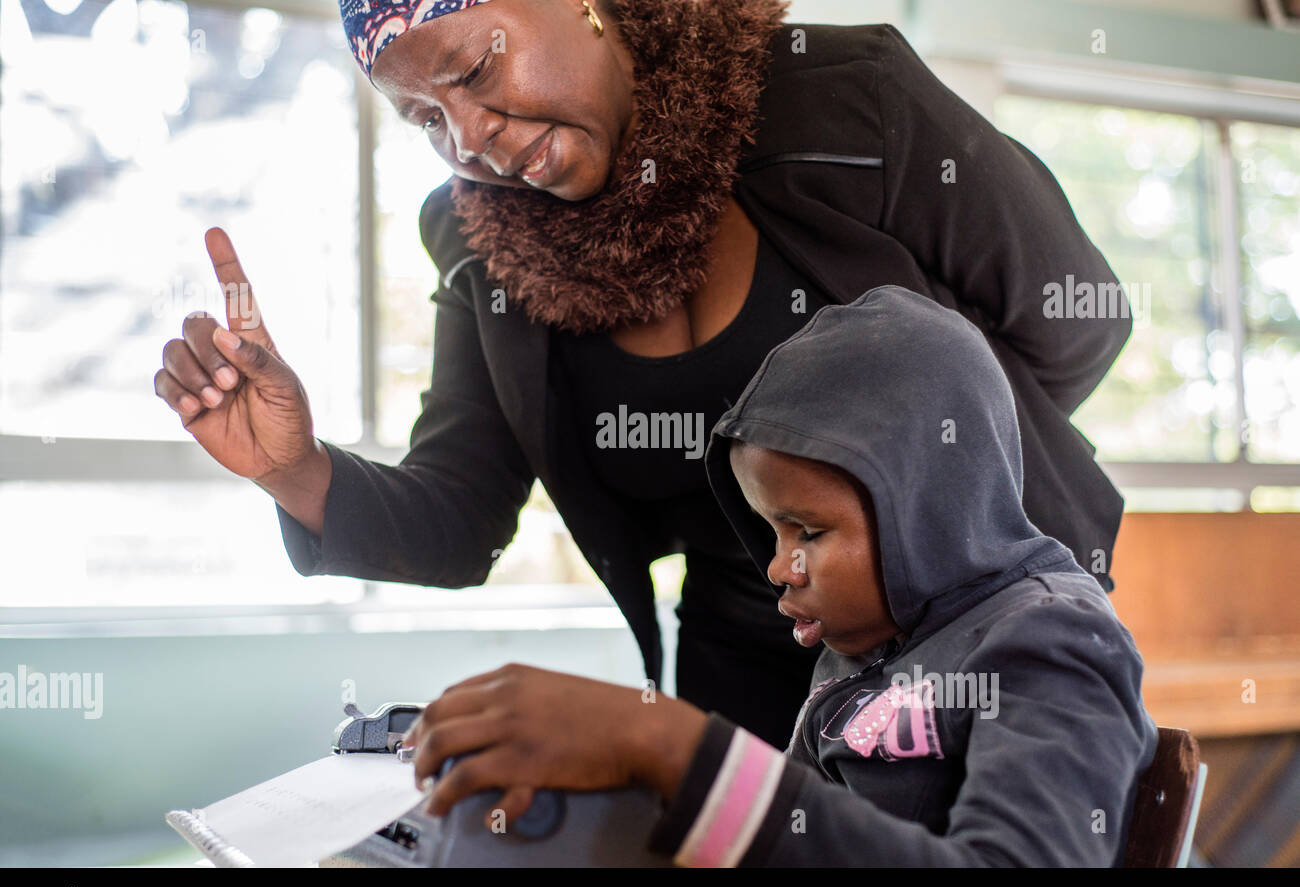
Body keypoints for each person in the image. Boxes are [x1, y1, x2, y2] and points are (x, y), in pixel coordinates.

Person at [152, 0, 1132, 750]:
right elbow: (456, 519)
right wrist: (292, 469)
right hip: (741, 670)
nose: (469, 138)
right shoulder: (477, 243)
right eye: (423, 118)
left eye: (475, 67)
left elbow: (1072, 323)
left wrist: (910, 520)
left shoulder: (842, 94)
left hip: (974, 644)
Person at [399, 286, 1161, 867]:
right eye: (772, 530)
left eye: (810, 530)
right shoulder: (861, 653)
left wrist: (674, 744)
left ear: (927, 496)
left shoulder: (1054, 637)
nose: (776, 566)